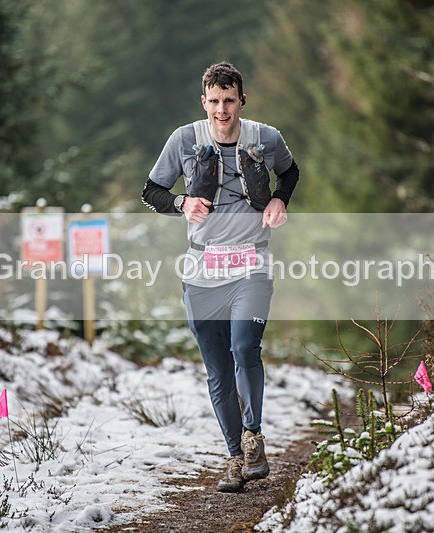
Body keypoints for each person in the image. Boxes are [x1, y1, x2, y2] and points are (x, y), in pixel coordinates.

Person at [141, 61, 300, 493]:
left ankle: (253, 438)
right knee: (217, 370)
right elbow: (150, 191)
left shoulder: (266, 138)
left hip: (252, 264)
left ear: (242, 101)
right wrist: (180, 205)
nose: (222, 110)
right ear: (204, 102)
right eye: (214, 101)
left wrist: (279, 201)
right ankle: (233, 457)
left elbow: (290, 172)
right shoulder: (184, 140)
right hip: (202, 268)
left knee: (245, 347)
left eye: (230, 101)